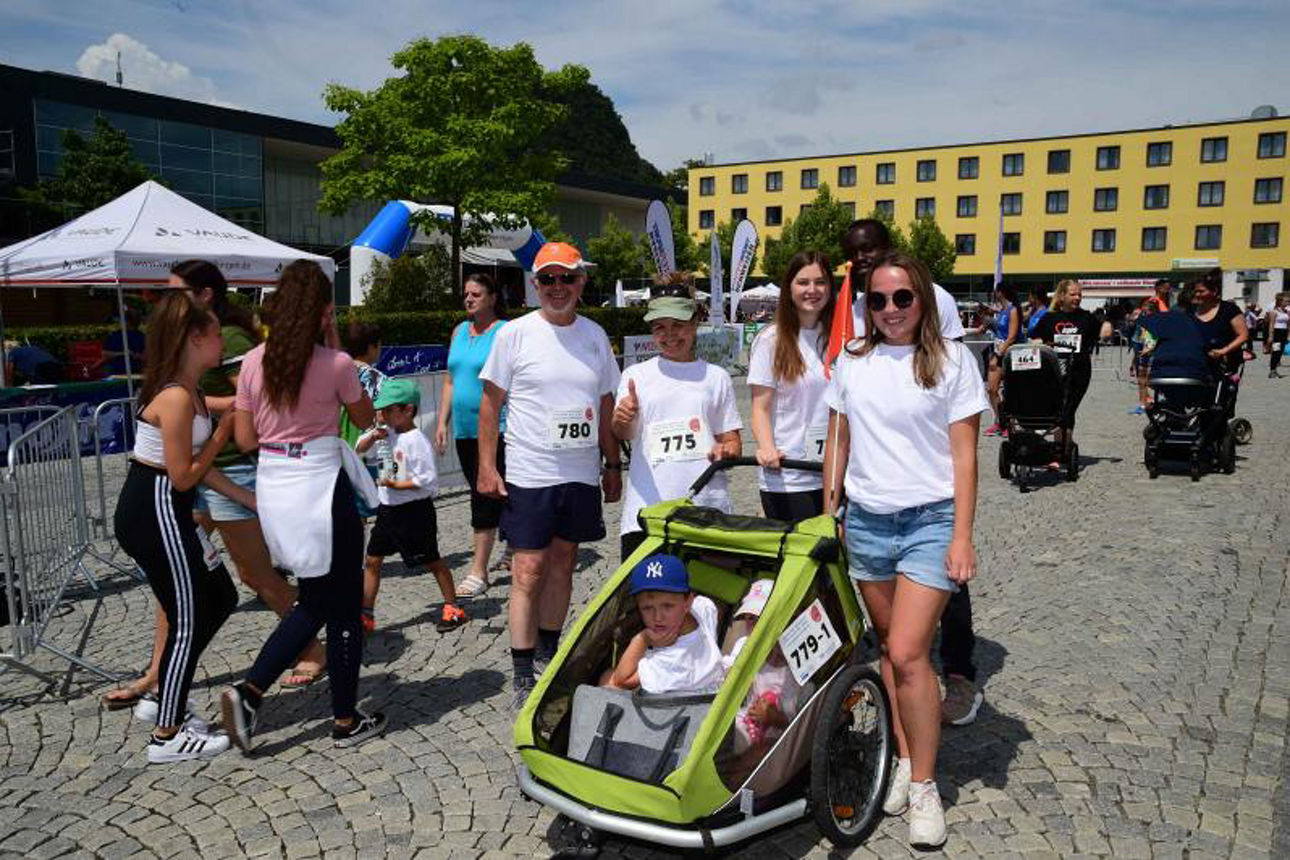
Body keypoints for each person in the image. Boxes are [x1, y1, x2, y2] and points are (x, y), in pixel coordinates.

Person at [822, 253, 988, 849]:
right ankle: (899, 757)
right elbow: (837, 438)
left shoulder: (951, 361)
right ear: (866, 306)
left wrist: (962, 534)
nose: (891, 309)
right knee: (890, 657)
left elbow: (966, 456)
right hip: (866, 522)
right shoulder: (852, 360)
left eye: (903, 298)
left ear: (923, 299)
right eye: (879, 300)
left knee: (911, 653)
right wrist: (830, 509)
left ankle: (923, 784)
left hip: (930, 521)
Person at [220, 259, 386, 752]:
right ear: (322, 312)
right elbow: (364, 414)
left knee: (319, 597)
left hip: (277, 484)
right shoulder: (333, 364)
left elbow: (247, 436)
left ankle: (258, 694)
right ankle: (334, 715)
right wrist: (333, 344)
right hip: (320, 483)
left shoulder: (253, 362)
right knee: (340, 604)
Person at [477, 242, 622, 709]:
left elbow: (604, 406)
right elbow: (490, 406)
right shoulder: (513, 335)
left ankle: (548, 652)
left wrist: (612, 463)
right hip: (530, 472)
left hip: (579, 472)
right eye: (548, 280)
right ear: (534, 285)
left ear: (581, 283)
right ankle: (521, 671)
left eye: (567, 279)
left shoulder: (595, 336)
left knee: (562, 564)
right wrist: (485, 466)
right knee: (528, 569)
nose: (558, 288)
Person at [174, 260, 330, 689]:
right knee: (183, 571)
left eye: (177, 291)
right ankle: (159, 671)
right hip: (202, 471)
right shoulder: (191, 335)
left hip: (227, 469)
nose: (168, 299)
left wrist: (193, 405)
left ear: (205, 294)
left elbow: (255, 405)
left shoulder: (232, 339)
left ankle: (313, 641)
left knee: (257, 575)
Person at [112, 292, 240, 763]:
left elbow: (201, 468)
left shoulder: (193, 391)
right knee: (187, 616)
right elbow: (184, 472)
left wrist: (251, 501)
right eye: (214, 335)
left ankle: (162, 697)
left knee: (221, 597)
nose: (222, 343)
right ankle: (167, 734)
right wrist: (224, 434)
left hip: (168, 507)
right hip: (157, 509)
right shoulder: (176, 397)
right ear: (193, 339)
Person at [612, 286, 742, 559]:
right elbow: (622, 432)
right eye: (660, 327)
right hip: (648, 508)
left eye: (678, 325)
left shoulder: (716, 377)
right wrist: (623, 418)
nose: (669, 335)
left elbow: (732, 442)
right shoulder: (636, 375)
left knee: (709, 599)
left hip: (706, 507)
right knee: (646, 599)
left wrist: (725, 450)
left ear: (695, 324)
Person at [356, 378, 467, 633]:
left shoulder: (417, 441)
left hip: (414, 512)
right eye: (380, 409)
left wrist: (396, 485)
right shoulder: (384, 435)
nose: (381, 414)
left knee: (432, 561)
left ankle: (453, 607)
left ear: (407, 410)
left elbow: (427, 481)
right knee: (372, 560)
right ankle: (366, 614)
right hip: (387, 511)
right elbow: (360, 450)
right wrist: (373, 435)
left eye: (387, 409)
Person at [435, 274, 509, 598]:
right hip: (465, 429)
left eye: (476, 294)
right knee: (487, 491)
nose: (468, 299)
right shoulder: (459, 331)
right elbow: (451, 380)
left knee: (487, 494)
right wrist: (441, 421)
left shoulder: (505, 332)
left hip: (498, 427)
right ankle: (516, 545)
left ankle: (479, 569)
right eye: (466, 294)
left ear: (492, 297)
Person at [748, 251, 833, 521]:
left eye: (820, 282)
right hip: (790, 476)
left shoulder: (840, 338)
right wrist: (766, 447)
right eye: (803, 282)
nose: (812, 290)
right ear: (789, 288)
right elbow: (760, 408)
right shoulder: (770, 340)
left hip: (834, 473)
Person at [601, 553, 723, 695]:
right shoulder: (703, 608)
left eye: (667, 606)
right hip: (709, 687)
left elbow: (621, 681)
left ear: (687, 602)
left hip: (679, 708)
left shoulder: (669, 660)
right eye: (647, 608)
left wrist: (642, 639)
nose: (658, 617)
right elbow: (713, 607)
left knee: (607, 678)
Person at [841, 219, 966, 341]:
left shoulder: (936, 298)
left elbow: (956, 356)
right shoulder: (858, 307)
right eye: (850, 253)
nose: (858, 258)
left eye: (867, 248)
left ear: (889, 248)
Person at [722, 579, 802, 753]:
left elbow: (796, 722)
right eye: (749, 618)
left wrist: (773, 718)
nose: (753, 625)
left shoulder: (794, 661)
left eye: (760, 619)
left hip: (777, 735)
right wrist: (731, 672)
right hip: (745, 720)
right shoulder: (744, 644)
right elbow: (726, 673)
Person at [1033, 280, 1101, 464]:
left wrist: (1107, 328)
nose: (1077, 298)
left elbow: (1101, 332)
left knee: (1068, 408)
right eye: (1073, 294)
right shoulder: (1049, 318)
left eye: (1079, 294)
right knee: (1057, 408)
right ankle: (1063, 446)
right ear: (1062, 296)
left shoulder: (1087, 318)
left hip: (1079, 371)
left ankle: (1060, 451)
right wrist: (1038, 342)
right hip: (1054, 371)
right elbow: (1035, 336)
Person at [1188, 268, 1248, 376]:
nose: (1197, 294)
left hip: (1224, 362)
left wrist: (1223, 351)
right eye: (1195, 291)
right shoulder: (1191, 310)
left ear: (1214, 291)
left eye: (1201, 291)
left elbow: (1243, 335)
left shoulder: (1229, 309)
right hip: (1197, 361)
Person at [983, 284, 1021, 436]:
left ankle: (1010, 424)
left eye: (995, 292)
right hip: (998, 351)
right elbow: (998, 330)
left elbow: (1011, 337)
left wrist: (998, 355)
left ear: (1000, 292)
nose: (994, 294)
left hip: (1008, 354)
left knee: (1010, 391)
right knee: (991, 389)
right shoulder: (1001, 311)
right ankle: (1000, 421)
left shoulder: (1012, 310)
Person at [101, 308, 146, 375]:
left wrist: (137, 356)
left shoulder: (142, 337)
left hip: (136, 370)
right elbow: (105, 354)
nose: (119, 321)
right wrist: (122, 354)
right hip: (116, 370)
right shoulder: (114, 335)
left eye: (121, 319)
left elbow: (148, 356)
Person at [1264, 295, 1288, 378]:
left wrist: (1288, 335)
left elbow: (1288, 324)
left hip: (1283, 333)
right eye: (1285, 301)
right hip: (1277, 333)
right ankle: (1272, 370)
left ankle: (1275, 370)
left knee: (1280, 352)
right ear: (1280, 302)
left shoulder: (1285, 311)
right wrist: (1270, 336)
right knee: (1276, 352)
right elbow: (1271, 324)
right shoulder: (1274, 312)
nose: (1287, 303)